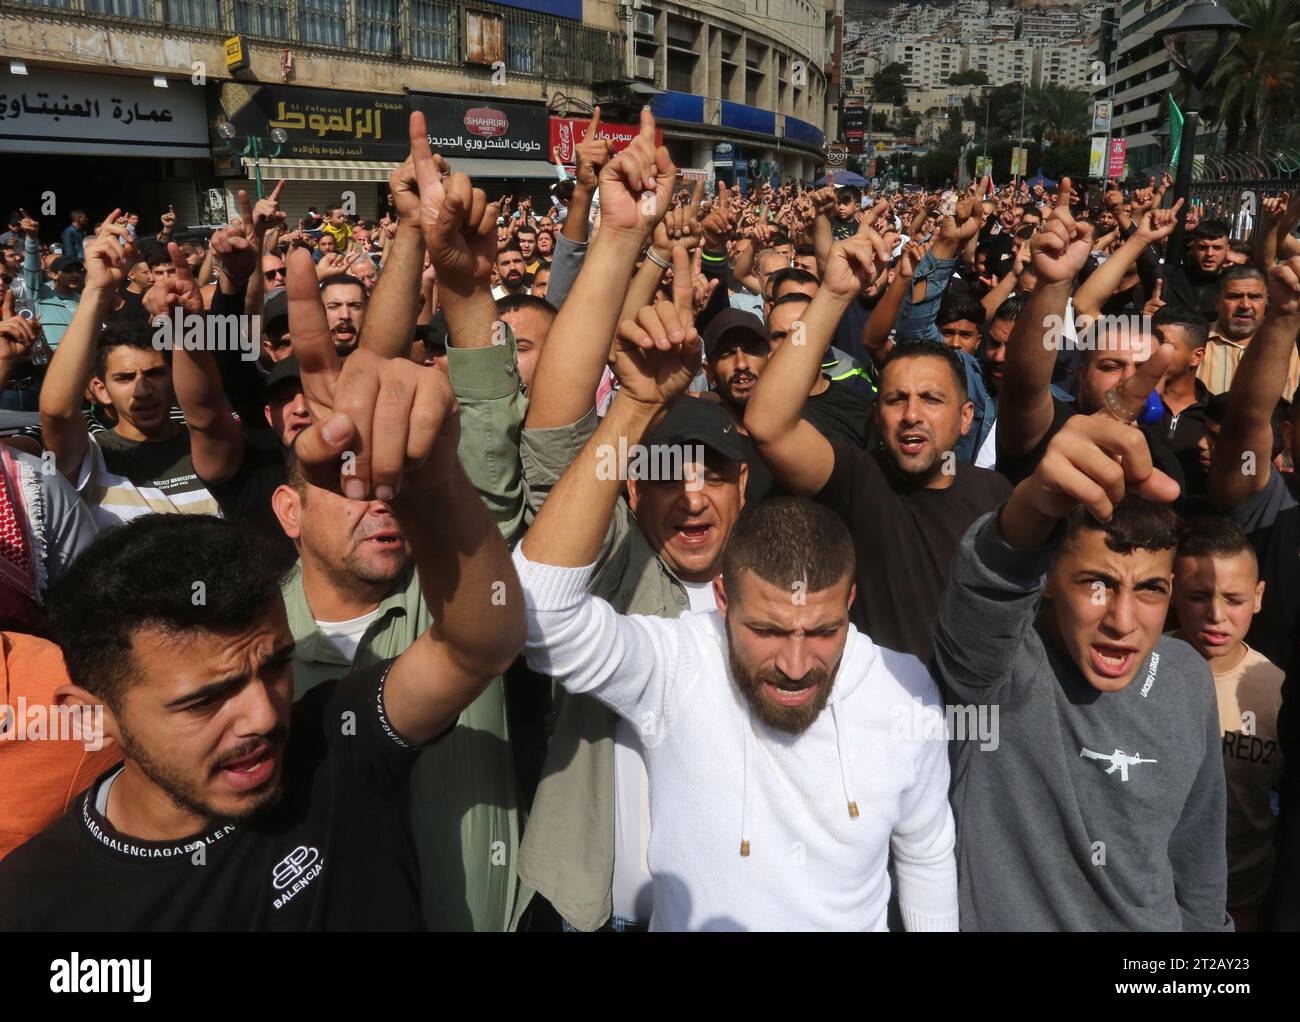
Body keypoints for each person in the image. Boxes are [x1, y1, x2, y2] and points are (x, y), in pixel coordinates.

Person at [0, 283, 526, 927]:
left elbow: (479, 642)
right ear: (94, 718)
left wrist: (432, 480)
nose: (263, 716)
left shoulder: (332, 743)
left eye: (276, 664)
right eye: (204, 698)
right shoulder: (36, 902)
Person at [513, 252, 957, 929]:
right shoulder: (677, 657)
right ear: (724, 606)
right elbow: (540, 607)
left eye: (823, 631)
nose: (797, 662)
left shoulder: (907, 691)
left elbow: (926, 852)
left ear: (851, 606)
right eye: (769, 631)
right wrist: (633, 405)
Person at [934, 396, 1230, 930]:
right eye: (1098, 584)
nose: (1121, 619)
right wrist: (1030, 507)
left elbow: (1199, 859)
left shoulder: (1187, 675)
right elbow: (987, 588)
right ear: (1047, 579)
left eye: (1150, 590)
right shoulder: (1000, 668)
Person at [745, 232, 1010, 663]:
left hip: (982, 720)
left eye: (931, 399)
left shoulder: (996, 495)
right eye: (895, 399)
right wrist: (832, 295)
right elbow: (768, 425)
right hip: (887, 725)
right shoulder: (860, 482)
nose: (911, 414)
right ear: (876, 414)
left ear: (966, 418)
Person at [1171, 517, 1283, 931]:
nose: (1216, 615)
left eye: (1234, 599)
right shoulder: (1137, 672)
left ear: (1258, 597)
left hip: (1244, 901)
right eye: (1199, 596)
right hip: (1155, 894)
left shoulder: (1277, 691)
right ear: (1170, 590)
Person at [1198, 266, 1300, 399]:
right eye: (1234, 296)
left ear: (1267, 300)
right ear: (1217, 301)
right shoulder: (1194, 341)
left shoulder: (1291, 341)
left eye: (1254, 297)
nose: (1245, 305)